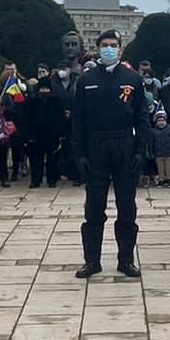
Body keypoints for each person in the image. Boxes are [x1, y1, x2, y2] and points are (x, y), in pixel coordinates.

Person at [69, 29, 150, 278]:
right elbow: (78, 120)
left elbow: (142, 118)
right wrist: (79, 154)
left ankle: (125, 260)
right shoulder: (86, 80)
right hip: (96, 146)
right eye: (105, 44)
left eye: (113, 45)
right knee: (94, 208)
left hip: (124, 144)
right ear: (98, 48)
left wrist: (140, 151)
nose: (109, 49)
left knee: (127, 207)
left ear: (120, 48)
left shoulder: (133, 79)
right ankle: (91, 261)